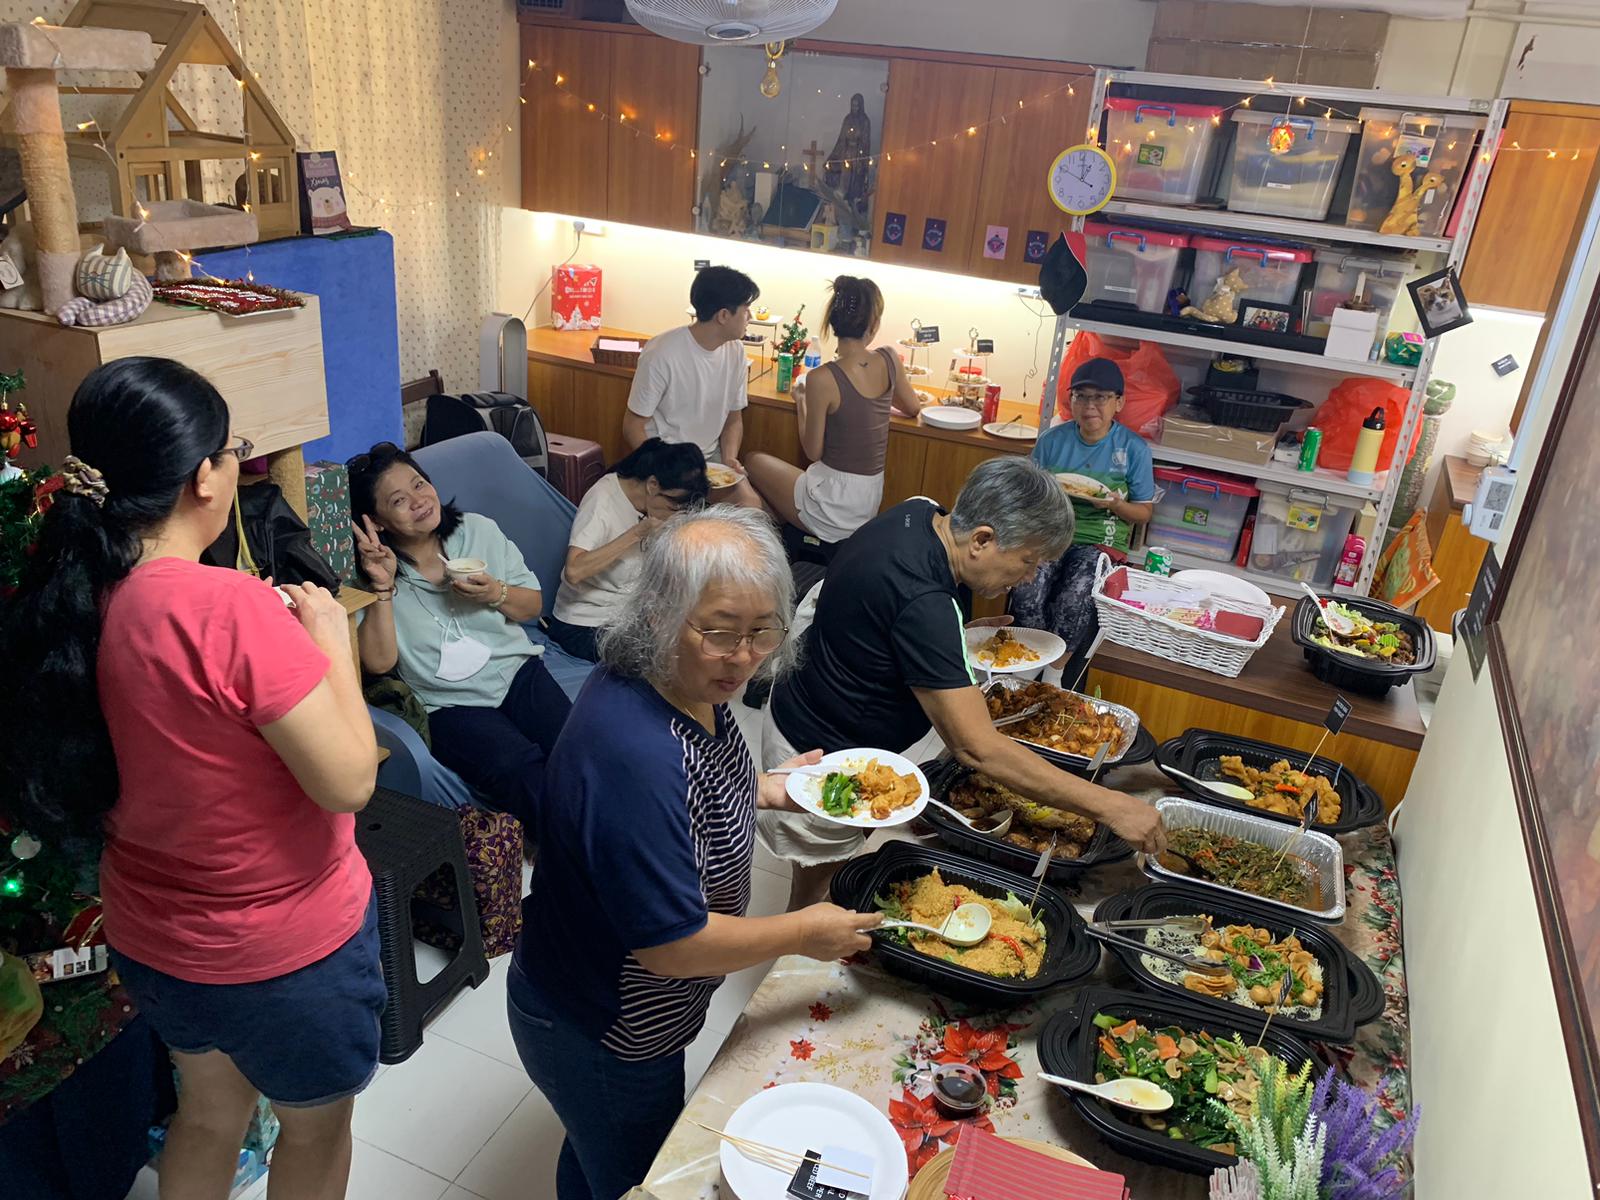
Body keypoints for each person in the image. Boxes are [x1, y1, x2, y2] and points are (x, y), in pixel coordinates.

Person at [0, 357, 382, 1200]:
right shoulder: (227, 608)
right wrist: (331, 640)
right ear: (204, 477)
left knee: (208, 1115)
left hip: (154, 941)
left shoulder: (71, 595)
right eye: (234, 452)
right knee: (316, 1131)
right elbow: (350, 780)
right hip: (283, 954)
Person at [507, 507, 879, 1200]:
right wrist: (805, 930)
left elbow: (698, 783)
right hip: (601, 1022)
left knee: (593, 1149)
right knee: (634, 1175)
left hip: (625, 1009)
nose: (743, 656)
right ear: (657, 615)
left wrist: (770, 788)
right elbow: (672, 949)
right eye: (721, 631)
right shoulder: (637, 753)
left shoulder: (675, 680)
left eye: (762, 630)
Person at [758, 456, 1166, 909]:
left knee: (842, 876)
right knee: (819, 896)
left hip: (820, 706)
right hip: (822, 751)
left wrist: (953, 638)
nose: (1029, 577)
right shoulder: (924, 602)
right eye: (1028, 561)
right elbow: (978, 748)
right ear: (982, 539)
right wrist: (1112, 807)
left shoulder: (920, 512)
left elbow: (890, 616)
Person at [349, 442, 571, 827]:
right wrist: (383, 586)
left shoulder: (478, 531)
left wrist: (495, 593)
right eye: (399, 500)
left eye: (419, 484)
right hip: (448, 704)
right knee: (519, 768)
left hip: (517, 672)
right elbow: (379, 663)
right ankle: (578, 847)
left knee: (576, 748)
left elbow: (532, 607)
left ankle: (605, 835)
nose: (419, 501)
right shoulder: (371, 573)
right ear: (377, 522)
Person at [745, 275, 924, 544]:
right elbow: (912, 407)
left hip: (832, 505)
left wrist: (801, 402)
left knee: (753, 460)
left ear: (832, 323)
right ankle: (781, 537)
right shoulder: (889, 359)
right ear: (874, 324)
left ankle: (774, 541)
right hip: (868, 500)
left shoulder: (822, 378)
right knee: (779, 491)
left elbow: (813, 451)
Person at [1012, 356, 1156, 685]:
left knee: (1075, 595)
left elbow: (1143, 513)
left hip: (1100, 539)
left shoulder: (1134, 449)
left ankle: (1055, 670)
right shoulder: (1052, 441)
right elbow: (1029, 492)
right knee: (1026, 588)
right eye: (1081, 396)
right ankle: (1033, 657)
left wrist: (1116, 505)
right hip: (1051, 532)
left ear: (1118, 403)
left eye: (1100, 397)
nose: (1090, 406)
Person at [546, 437, 709, 663]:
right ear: (653, 485)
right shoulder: (603, 499)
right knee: (667, 661)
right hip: (586, 623)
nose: (674, 515)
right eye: (673, 507)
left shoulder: (655, 506)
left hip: (632, 615)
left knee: (701, 636)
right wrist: (636, 533)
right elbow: (574, 571)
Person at [622, 264, 762, 507]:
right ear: (723, 316)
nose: (750, 317)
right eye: (746, 310)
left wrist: (729, 459)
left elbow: (733, 419)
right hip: (667, 461)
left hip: (710, 462)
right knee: (685, 519)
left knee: (751, 506)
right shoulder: (661, 353)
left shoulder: (736, 351)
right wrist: (662, 469)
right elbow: (632, 426)